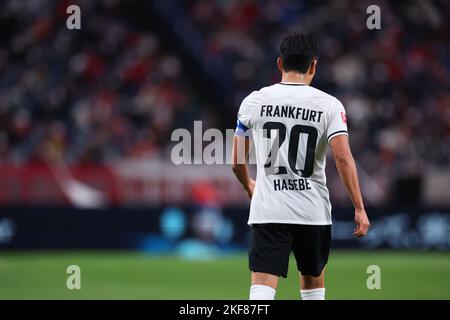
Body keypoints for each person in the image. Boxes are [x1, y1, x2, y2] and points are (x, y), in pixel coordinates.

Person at [231, 32, 370, 300]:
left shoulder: (254, 101)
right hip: (312, 212)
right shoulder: (329, 105)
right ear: (314, 65)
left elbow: (236, 160)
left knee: (260, 291)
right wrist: (359, 207)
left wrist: (249, 184)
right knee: (313, 290)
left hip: (269, 211)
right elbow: (342, 157)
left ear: (280, 64)